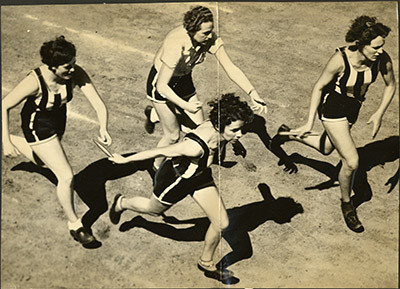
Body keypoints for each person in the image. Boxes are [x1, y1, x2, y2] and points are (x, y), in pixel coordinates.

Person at [109, 93, 254, 281]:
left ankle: (206, 262)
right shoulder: (194, 147)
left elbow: (222, 131)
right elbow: (158, 151)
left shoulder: (222, 128)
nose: (240, 134)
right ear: (221, 124)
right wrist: (125, 159)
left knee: (222, 223)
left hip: (200, 176)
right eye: (235, 130)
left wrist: (235, 142)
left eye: (241, 130)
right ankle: (122, 203)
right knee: (153, 210)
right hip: (175, 179)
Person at [272, 16, 396, 233]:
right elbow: (319, 87)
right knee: (351, 162)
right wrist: (310, 121)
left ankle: (287, 134)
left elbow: (391, 85)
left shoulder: (381, 58)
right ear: (361, 43)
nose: (380, 50)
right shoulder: (340, 60)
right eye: (375, 46)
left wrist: (378, 113)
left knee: (326, 148)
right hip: (333, 108)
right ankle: (347, 204)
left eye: (381, 46)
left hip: (353, 109)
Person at [2, 36, 112, 245]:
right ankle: (75, 225)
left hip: (58, 119)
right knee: (66, 175)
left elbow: (98, 103)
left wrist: (103, 127)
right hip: (37, 124)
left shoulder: (75, 72)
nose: (72, 69)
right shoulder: (34, 81)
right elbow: (4, 105)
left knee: (42, 162)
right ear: (52, 67)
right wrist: (4, 140)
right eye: (66, 67)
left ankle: (17, 142)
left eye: (73, 63)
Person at [143, 5, 267, 170]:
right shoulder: (176, 43)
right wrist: (186, 105)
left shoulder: (209, 38)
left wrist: (253, 92)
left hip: (183, 79)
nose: (210, 36)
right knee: (172, 136)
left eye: (211, 31)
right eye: (205, 33)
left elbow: (230, 67)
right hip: (161, 83)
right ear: (191, 31)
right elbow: (162, 86)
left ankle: (154, 114)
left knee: (201, 128)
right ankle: (156, 167)